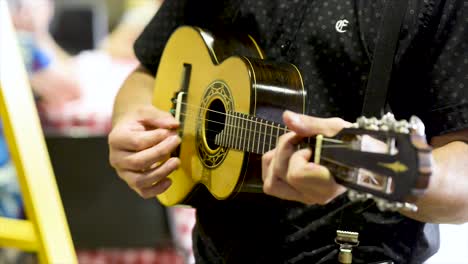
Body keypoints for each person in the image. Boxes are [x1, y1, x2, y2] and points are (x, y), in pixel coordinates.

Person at [108, 1, 468, 263]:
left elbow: (463, 178)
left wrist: (368, 169)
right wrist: (132, 128)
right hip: (212, 253)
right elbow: (148, 72)